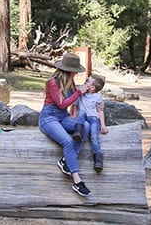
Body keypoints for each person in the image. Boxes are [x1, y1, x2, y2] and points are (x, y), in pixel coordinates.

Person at [38, 51, 92, 197]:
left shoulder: (70, 81)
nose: (75, 74)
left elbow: (73, 102)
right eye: (74, 72)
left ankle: (66, 160)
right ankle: (77, 180)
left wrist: (86, 92)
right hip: (48, 119)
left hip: (63, 117)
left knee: (85, 126)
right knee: (67, 141)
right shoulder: (52, 83)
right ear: (69, 70)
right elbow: (62, 104)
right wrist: (78, 93)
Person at [72, 74, 108, 172]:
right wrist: (74, 115)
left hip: (93, 118)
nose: (85, 82)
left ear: (92, 88)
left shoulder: (98, 96)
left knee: (94, 136)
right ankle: (78, 132)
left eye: (88, 81)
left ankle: (98, 160)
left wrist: (103, 125)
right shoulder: (81, 94)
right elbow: (75, 105)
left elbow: (100, 111)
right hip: (82, 117)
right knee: (82, 112)